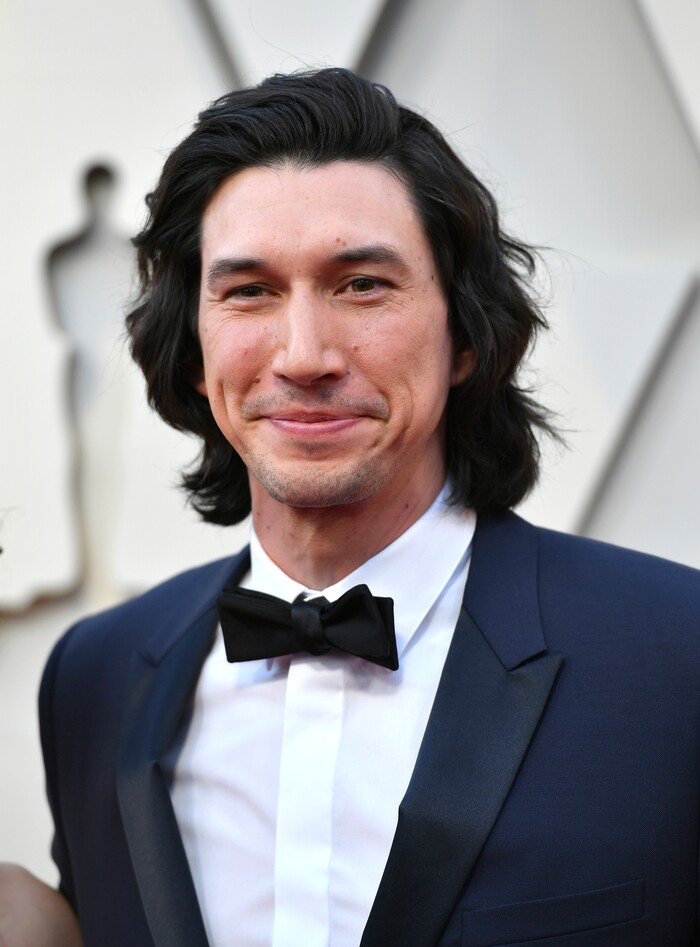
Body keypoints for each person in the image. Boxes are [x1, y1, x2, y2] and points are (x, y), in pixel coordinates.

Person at [36, 68, 700, 947]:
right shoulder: (91, 679)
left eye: (361, 285)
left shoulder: (680, 655)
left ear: (465, 335)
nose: (304, 355)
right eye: (249, 291)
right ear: (192, 349)